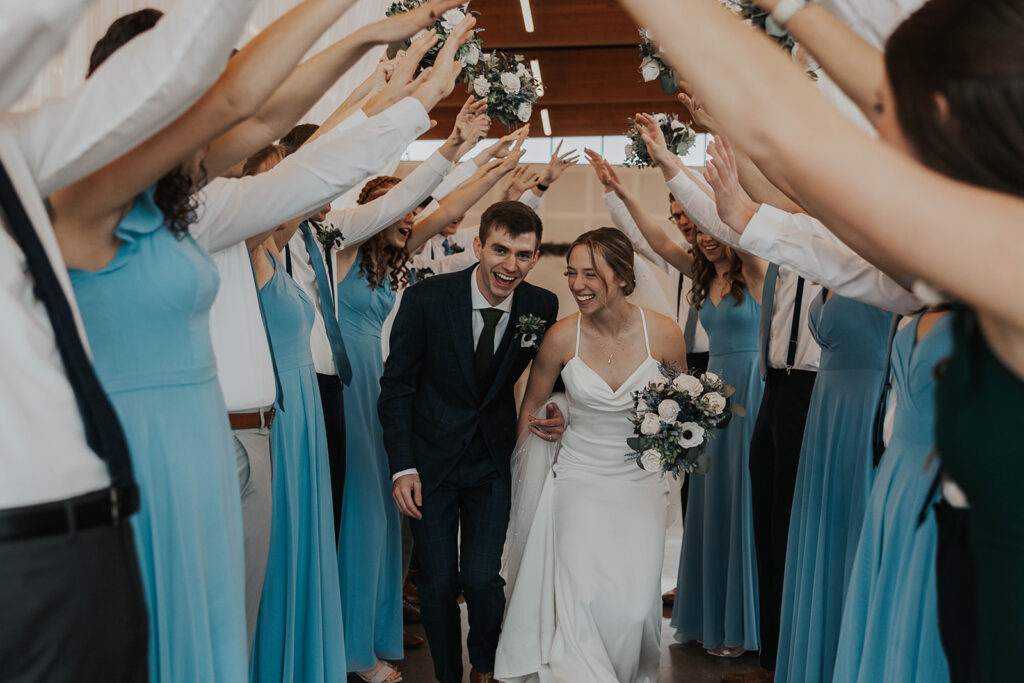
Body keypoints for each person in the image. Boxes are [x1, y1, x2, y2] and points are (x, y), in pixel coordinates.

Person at [0, 0, 251, 675]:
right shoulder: (78, 194)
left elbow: (217, 85)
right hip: (44, 523)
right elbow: (227, 94)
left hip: (88, 517)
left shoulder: (22, 151)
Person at [379, 201, 561, 683]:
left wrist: (561, 409)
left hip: (491, 461)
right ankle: (447, 677)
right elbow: (396, 386)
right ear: (478, 245)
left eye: (523, 255)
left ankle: (484, 663)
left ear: (535, 257)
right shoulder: (426, 300)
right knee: (437, 584)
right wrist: (402, 467)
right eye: (500, 249)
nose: (510, 265)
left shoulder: (541, 307)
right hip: (429, 467)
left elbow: (550, 374)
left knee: (482, 580)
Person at [493, 227, 686, 682]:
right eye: (571, 273)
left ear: (622, 276)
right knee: (580, 599)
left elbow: (682, 411)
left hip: (640, 485)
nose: (577, 284)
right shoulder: (562, 338)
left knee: (636, 608)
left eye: (590, 275)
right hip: (578, 480)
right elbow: (531, 411)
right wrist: (523, 479)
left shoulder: (664, 334)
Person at [832, 309, 953, 683]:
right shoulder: (914, 301)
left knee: (927, 611)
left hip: (943, 477)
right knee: (888, 606)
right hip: (896, 472)